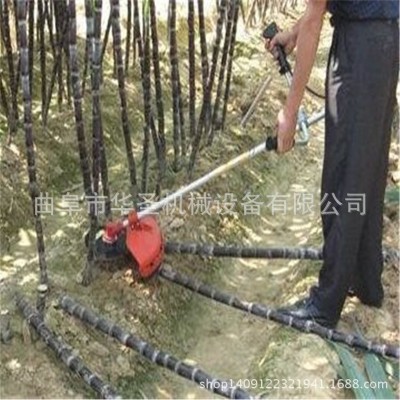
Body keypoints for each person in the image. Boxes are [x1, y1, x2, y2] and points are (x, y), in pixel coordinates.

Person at [265, 0, 399, 328]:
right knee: (366, 173)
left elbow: (314, 21)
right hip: (383, 43)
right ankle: (365, 280)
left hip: (360, 50)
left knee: (344, 179)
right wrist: (293, 33)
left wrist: (289, 114)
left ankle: (325, 304)